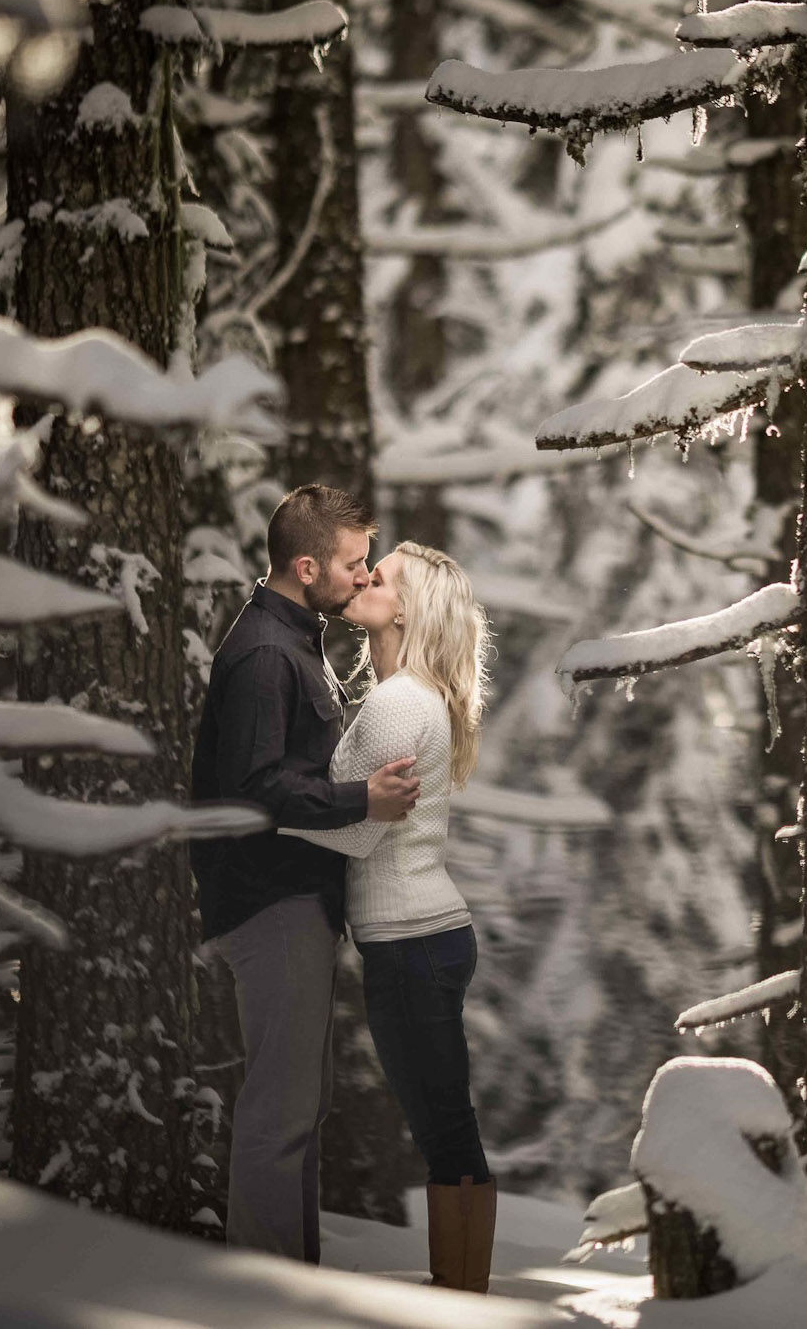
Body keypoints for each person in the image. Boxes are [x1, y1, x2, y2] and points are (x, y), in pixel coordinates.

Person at [190, 485, 422, 1263]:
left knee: (302, 1106)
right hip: (270, 904)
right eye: (354, 563)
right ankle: (265, 1297)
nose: (363, 576)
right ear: (304, 564)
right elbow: (258, 784)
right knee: (279, 1112)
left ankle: (297, 1286)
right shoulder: (263, 653)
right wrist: (366, 799)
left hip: (298, 903)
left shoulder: (297, 639)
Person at [283, 541, 497, 1294]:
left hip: (414, 944)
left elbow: (354, 828)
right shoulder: (404, 693)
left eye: (383, 575)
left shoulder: (400, 701)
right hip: (420, 939)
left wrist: (263, 810)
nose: (366, 577)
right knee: (443, 1122)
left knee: (444, 1128)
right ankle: (462, 1288)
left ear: (405, 607)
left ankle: (465, 1296)